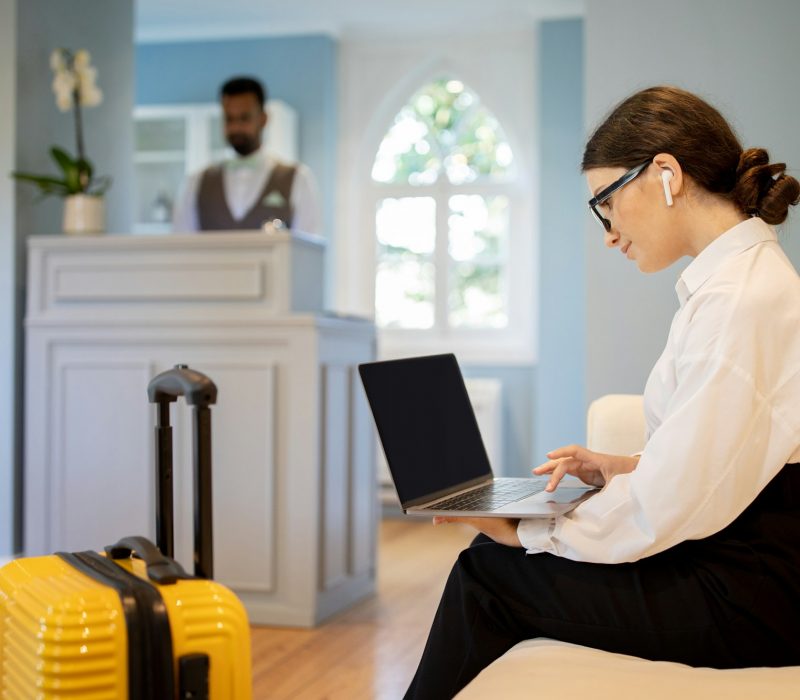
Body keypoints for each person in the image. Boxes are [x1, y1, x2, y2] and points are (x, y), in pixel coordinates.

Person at [405, 86, 800, 700]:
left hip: (755, 591)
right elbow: (732, 457)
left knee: (488, 574)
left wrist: (535, 532)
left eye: (604, 203)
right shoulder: (737, 286)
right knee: (497, 570)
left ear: (665, 175)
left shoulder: (742, 301)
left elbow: (674, 501)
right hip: (742, 564)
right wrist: (620, 467)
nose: (609, 233)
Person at [172, 76, 321, 234]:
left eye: (244, 118)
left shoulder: (298, 179)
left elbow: (307, 250)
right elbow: (181, 247)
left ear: (263, 119)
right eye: (230, 119)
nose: (236, 127)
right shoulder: (196, 182)